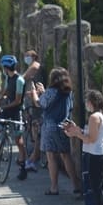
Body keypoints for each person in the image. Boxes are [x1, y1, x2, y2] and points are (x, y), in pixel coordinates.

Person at [65, 89, 103, 205]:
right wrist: (76, 130)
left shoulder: (94, 117)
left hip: (97, 154)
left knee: (96, 185)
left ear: (92, 102)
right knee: (100, 185)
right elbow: (89, 134)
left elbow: (91, 138)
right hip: (100, 153)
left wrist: (76, 134)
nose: (86, 103)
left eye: (87, 101)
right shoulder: (100, 116)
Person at [0, 55, 28, 180]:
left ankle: (23, 166)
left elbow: (18, 101)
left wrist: (3, 108)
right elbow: (7, 91)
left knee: (19, 141)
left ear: (6, 67)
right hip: (6, 109)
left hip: (15, 111)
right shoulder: (8, 77)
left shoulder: (20, 80)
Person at [38, 67, 80, 196]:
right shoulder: (68, 93)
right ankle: (75, 185)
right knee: (66, 155)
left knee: (51, 156)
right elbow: (70, 107)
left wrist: (38, 93)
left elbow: (41, 103)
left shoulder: (51, 91)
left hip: (50, 127)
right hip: (64, 126)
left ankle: (54, 187)